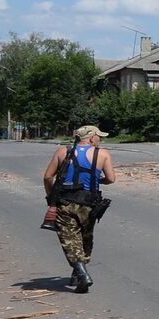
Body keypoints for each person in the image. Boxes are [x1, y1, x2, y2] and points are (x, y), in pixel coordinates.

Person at [43, 125, 114, 292]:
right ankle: (80, 272)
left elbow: (47, 176)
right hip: (89, 204)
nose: (101, 139)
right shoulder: (102, 154)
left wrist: (50, 196)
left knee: (69, 239)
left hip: (65, 202)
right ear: (91, 138)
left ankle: (80, 273)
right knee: (85, 237)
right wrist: (97, 179)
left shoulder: (62, 152)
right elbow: (111, 179)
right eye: (99, 136)